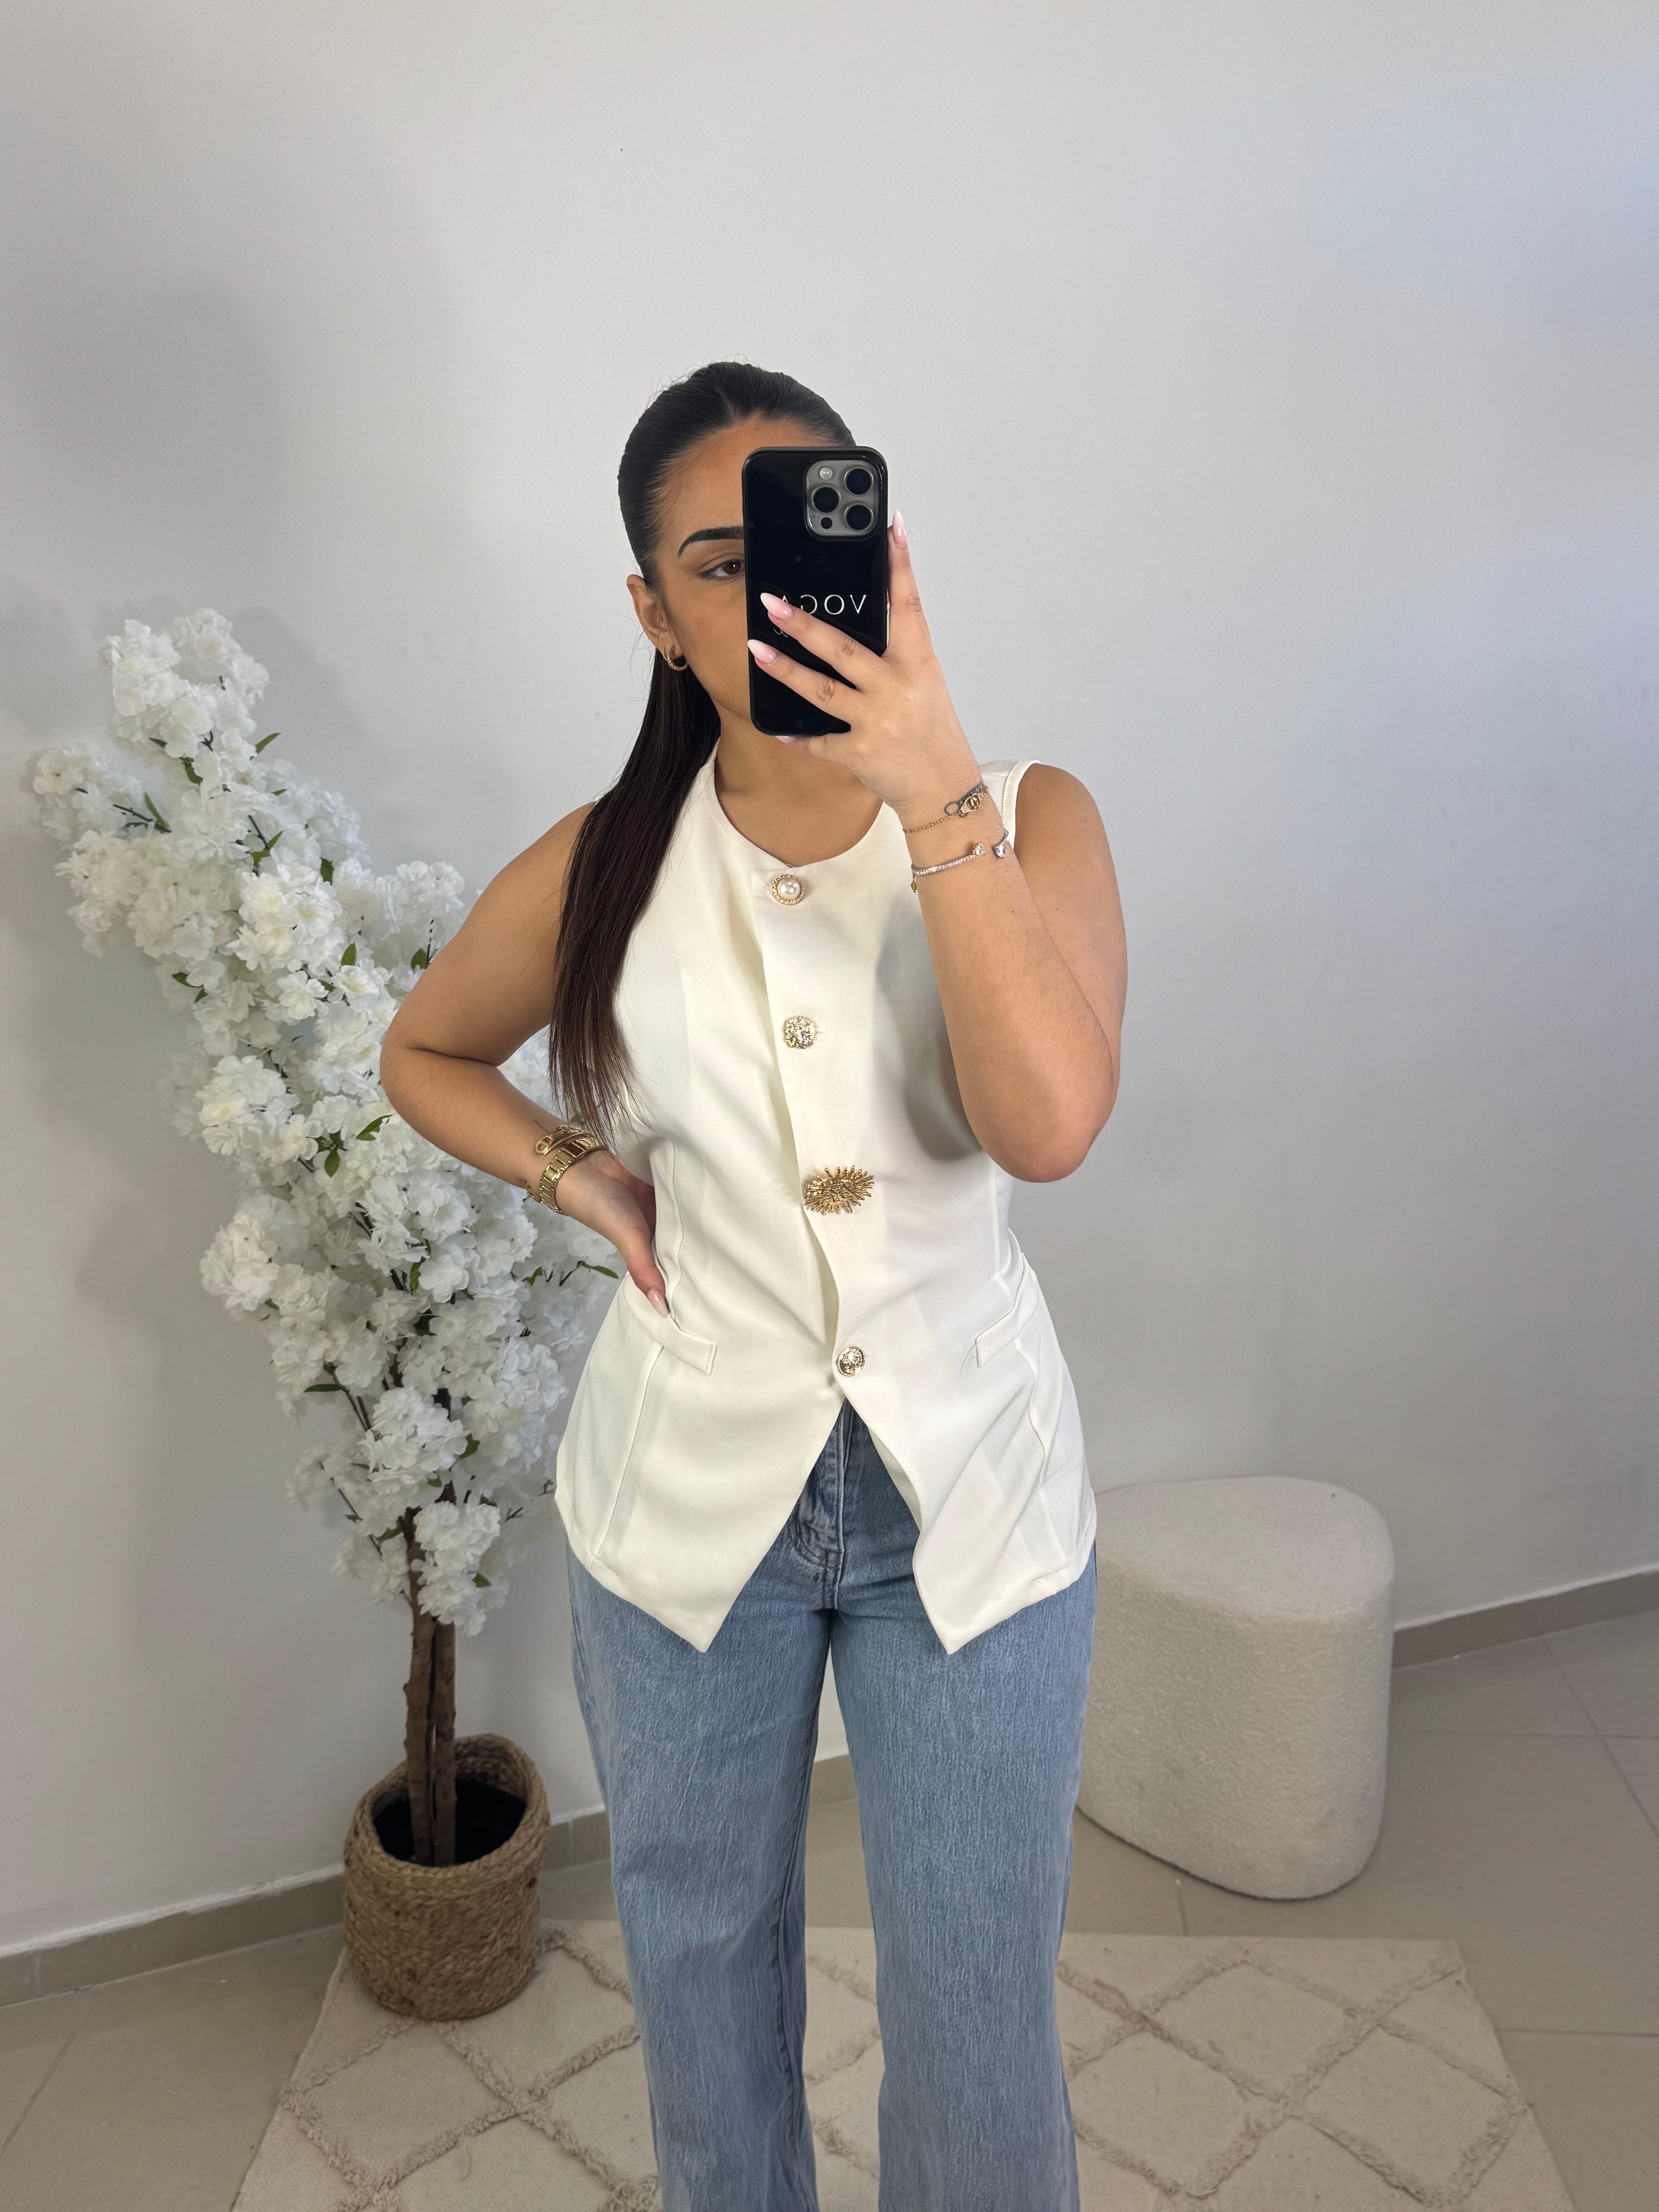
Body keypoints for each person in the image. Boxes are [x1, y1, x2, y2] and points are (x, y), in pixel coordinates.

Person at [379, 360, 1127, 2211]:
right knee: (702, 1980)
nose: (780, 594)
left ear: (884, 553)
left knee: (978, 2003)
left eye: (815, 543)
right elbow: (424, 1053)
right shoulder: (605, 865)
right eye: (723, 564)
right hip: (687, 1505)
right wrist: (583, 1175)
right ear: (655, 615)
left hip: (974, 1500)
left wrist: (932, 787)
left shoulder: (1031, 815)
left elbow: (1046, 1125)